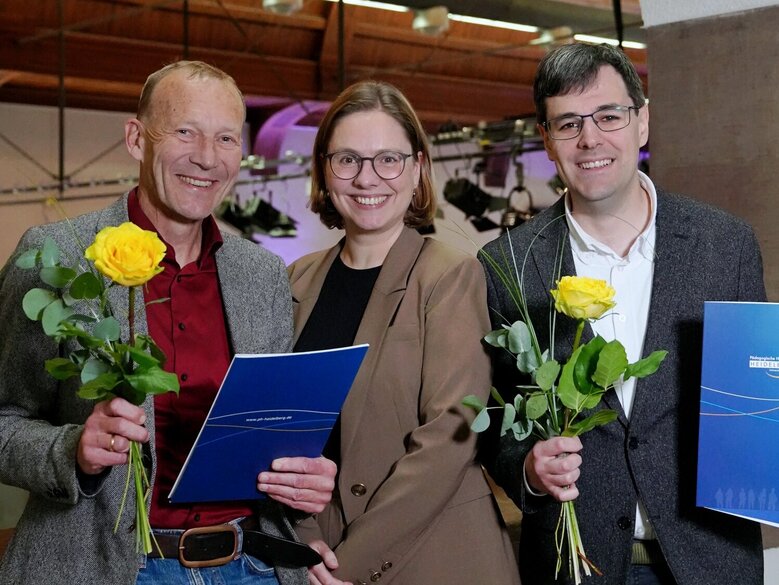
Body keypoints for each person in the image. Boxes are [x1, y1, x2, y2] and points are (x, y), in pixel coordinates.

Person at [0, 60, 337, 585]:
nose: (206, 158)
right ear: (137, 138)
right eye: (185, 132)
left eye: (225, 138)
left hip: (249, 566)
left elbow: (270, 434)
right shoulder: (59, 259)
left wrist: (302, 482)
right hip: (105, 567)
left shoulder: (262, 274)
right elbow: (3, 420)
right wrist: (72, 449)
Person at [481, 42, 765, 585]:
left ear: (642, 122)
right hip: (577, 564)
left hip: (712, 561)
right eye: (568, 124)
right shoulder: (508, 264)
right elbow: (495, 418)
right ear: (545, 139)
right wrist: (528, 469)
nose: (590, 139)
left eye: (609, 115)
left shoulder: (724, 244)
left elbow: (755, 393)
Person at [287, 80, 520, 585]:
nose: (367, 177)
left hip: (434, 555)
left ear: (416, 169)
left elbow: (452, 434)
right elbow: (280, 429)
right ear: (324, 170)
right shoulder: (296, 280)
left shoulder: (449, 274)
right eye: (347, 159)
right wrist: (307, 547)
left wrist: (347, 564)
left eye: (388, 159)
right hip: (318, 558)